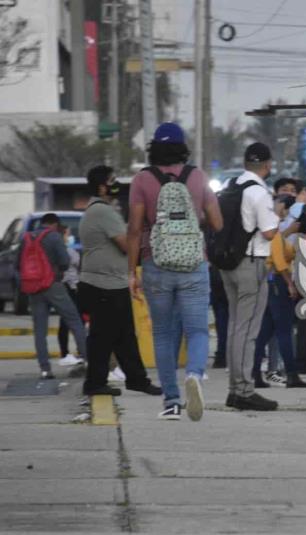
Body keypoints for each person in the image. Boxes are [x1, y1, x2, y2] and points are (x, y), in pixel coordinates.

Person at [127, 122, 223, 421]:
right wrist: (193, 222)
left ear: (153, 146)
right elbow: (217, 223)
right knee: (196, 330)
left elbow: (133, 229)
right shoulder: (197, 177)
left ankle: (171, 401)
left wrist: (132, 271)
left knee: (163, 334)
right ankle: (194, 374)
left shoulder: (142, 180)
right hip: (194, 263)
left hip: (156, 263)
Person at [79, 165, 161, 397]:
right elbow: (126, 244)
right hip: (103, 285)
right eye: (112, 180)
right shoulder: (103, 212)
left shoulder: (98, 210)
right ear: (102, 186)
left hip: (110, 284)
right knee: (103, 338)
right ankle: (95, 383)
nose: (116, 184)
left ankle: (136, 379)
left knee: (123, 336)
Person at [213, 142, 282, 412]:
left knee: (235, 327)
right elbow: (268, 232)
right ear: (267, 165)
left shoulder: (233, 186)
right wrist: (278, 215)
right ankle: (243, 390)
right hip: (251, 263)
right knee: (248, 329)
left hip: (228, 263)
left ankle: (235, 389)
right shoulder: (259, 192)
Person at [18, 213, 88, 380]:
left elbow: (17, 264)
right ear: (54, 224)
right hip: (53, 285)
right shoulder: (54, 237)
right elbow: (64, 261)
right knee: (75, 321)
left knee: (39, 330)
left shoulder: (26, 237)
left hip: (34, 287)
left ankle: (45, 369)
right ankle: (88, 360)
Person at [252, 195, 306, 389]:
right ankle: (292, 375)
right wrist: (289, 284)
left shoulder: (274, 232)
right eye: (284, 208)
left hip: (268, 285)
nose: (285, 212)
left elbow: (283, 252)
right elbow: (279, 262)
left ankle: (255, 374)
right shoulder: (274, 232)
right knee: (284, 331)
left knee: (264, 333)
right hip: (278, 283)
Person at [57, 225, 83, 368]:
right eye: (68, 234)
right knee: (76, 321)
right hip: (71, 287)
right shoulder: (69, 251)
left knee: (65, 322)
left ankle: (65, 352)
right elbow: (78, 267)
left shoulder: (58, 251)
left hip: (63, 287)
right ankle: (79, 352)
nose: (69, 237)